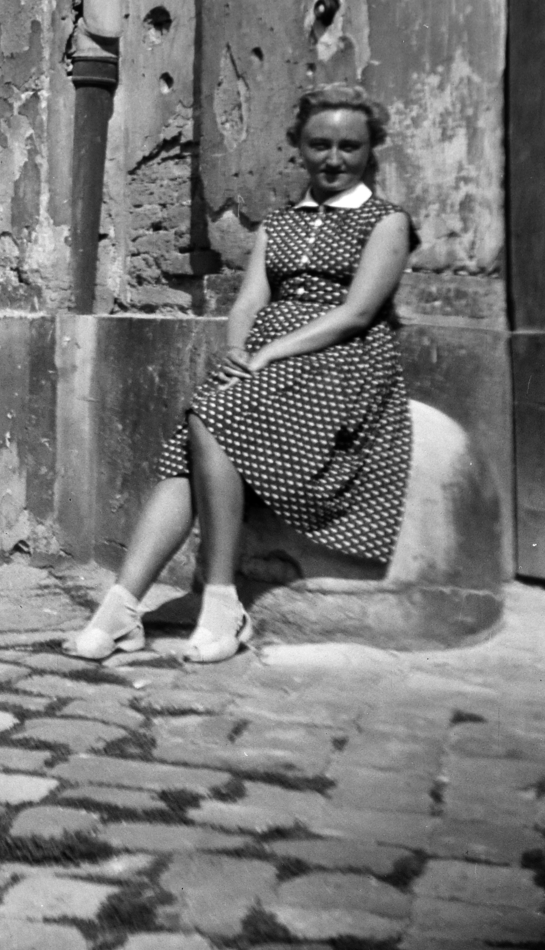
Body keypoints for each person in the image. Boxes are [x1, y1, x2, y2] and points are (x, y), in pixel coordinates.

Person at [66, 83, 417, 663]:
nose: (334, 159)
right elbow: (250, 303)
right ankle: (122, 607)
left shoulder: (386, 222)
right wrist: (237, 350)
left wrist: (267, 356)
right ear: (298, 149)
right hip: (265, 361)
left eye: (349, 147)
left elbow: (356, 314)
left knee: (211, 415)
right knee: (189, 443)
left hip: (343, 361)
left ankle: (221, 603)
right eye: (320, 144)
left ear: (370, 150)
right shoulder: (278, 225)